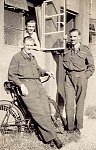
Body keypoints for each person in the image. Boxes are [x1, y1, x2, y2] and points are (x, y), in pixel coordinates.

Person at [8, 36, 63, 149]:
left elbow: (38, 70)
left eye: (31, 45)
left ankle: (45, 136)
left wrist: (47, 72)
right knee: (39, 113)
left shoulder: (32, 57)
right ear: (23, 44)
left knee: (46, 111)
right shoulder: (17, 57)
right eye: (27, 45)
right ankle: (54, 138)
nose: (29, 47)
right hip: (27, 86)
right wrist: (21, 85)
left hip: (38, 85)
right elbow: (11, 75)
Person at [63, 29, 95, 134]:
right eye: (71, 36)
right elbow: (55, 50)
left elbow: (91, 66)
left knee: (80, 103)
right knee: (69, 103)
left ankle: (78, 127)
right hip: (69, 77)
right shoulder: (66, 48)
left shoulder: (85, 49)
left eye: (74, 36)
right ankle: (70, 128)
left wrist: (85, 76)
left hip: (81, 77)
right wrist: (61, 40)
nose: (72, 39)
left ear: (79, 37)